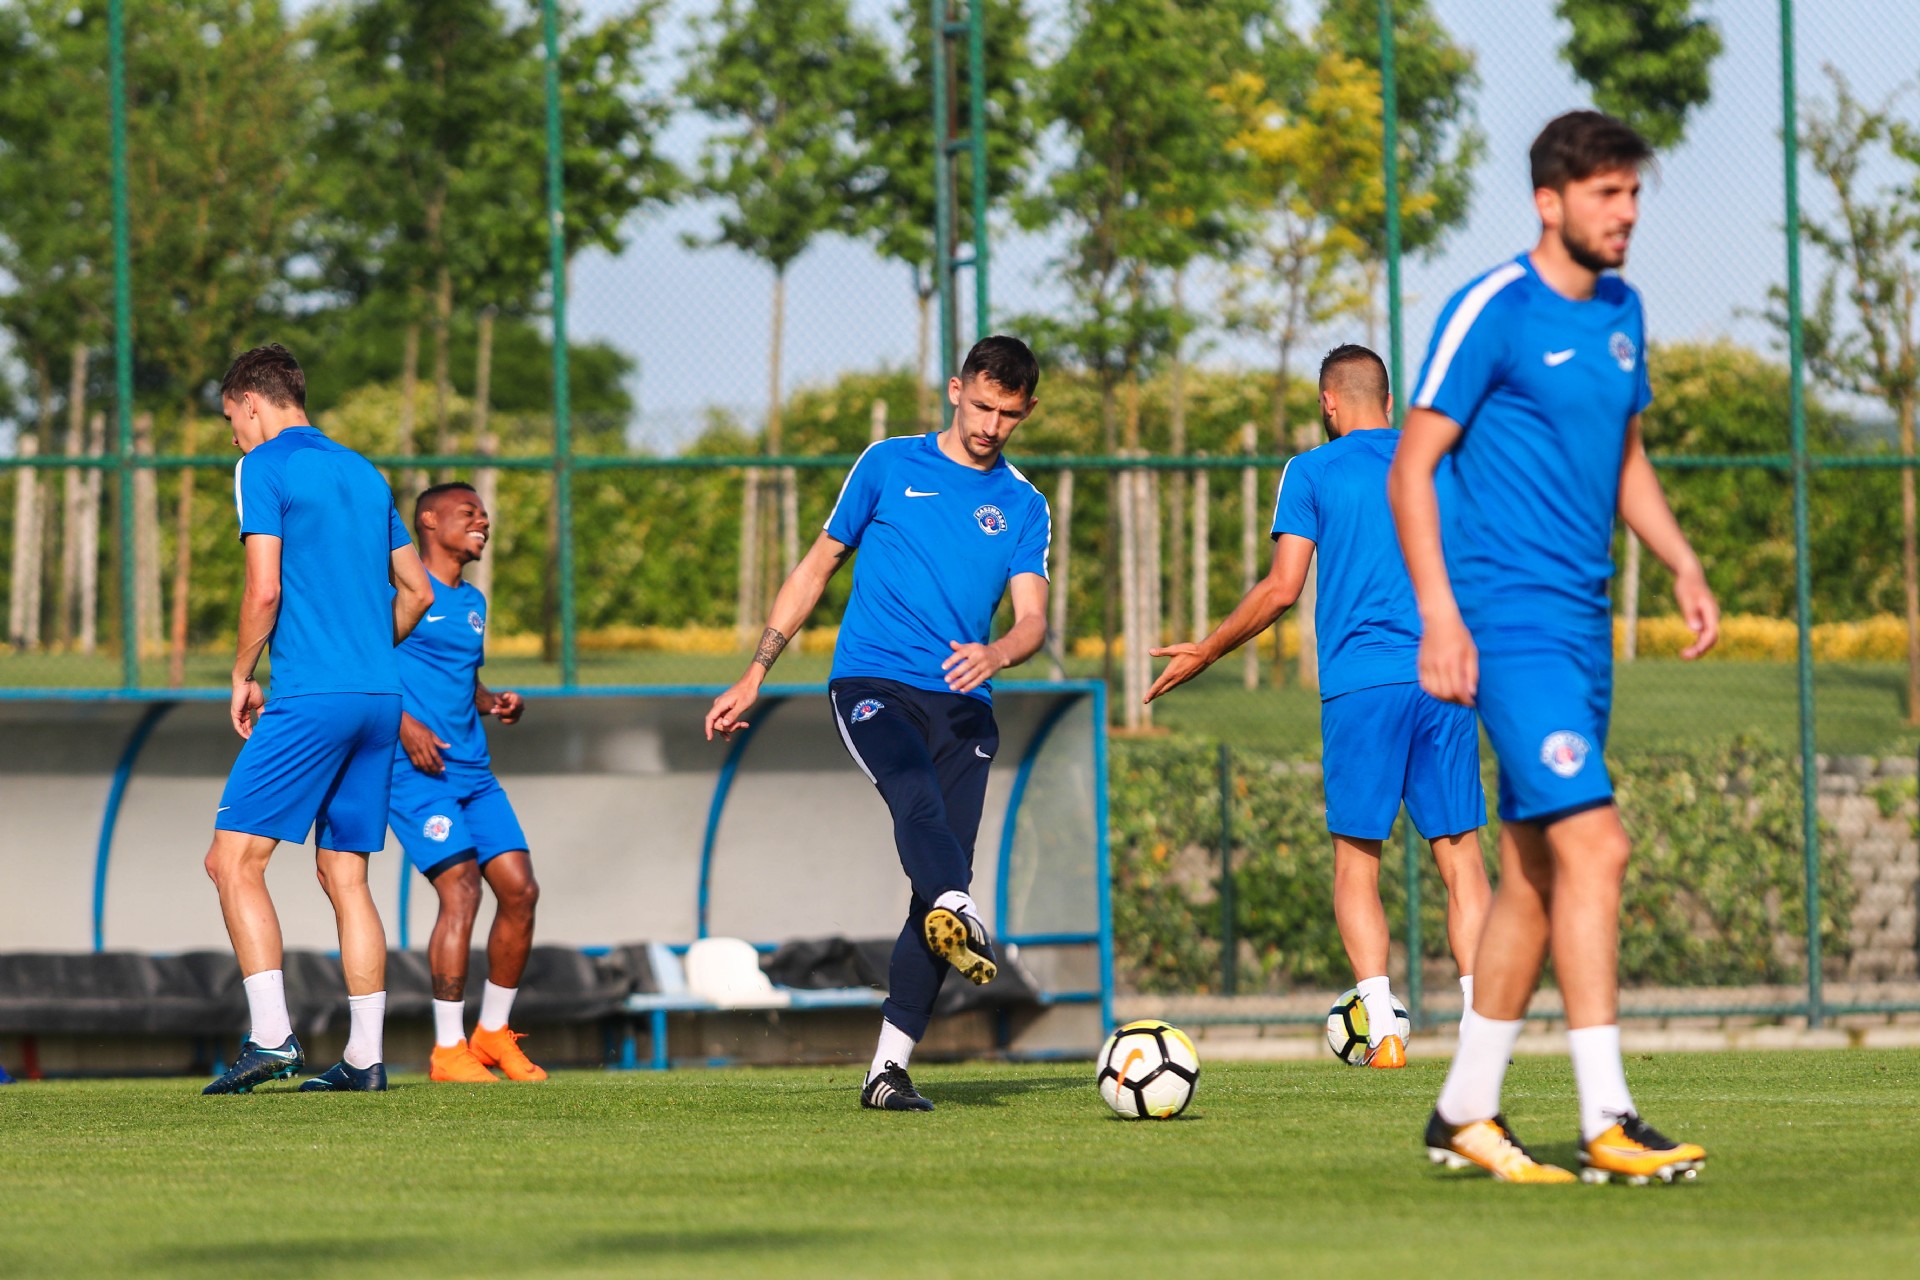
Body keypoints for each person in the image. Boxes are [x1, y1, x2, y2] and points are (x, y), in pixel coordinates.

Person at [1389, 110, 1718, 1184]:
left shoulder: (1624, 311)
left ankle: (1464, 1110)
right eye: (1607, 194)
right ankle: (1608, 1115)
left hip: (1584, 630)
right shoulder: (1493, 307)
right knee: (1599, 845)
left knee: (1535, 871)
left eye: (1634, 193)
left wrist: (1681, 561)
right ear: (1550, 201)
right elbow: (1412, 465)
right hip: (1508, 622)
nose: (1627, 214)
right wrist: (1441, 614)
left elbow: (1625, 457)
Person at [703, 335, 1051, 1112]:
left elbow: (1032, 619)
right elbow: (817, 565)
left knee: (934, 889)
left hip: (965, 702)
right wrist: (757, 671)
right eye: (982, 406)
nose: (991, 426)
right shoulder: (888, 464)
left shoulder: (1025, 505)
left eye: (1009, 414)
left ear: (1027, 411)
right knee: (913, 796)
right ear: (956, 390)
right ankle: (959, 906)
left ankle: (887, 1072)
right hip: (872, 681)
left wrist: (998, 653)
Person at [1145, 344, 1491, 1069]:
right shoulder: (1439, 460)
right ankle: (1480, 1031)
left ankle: (1383, 1028)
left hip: (1363, 686)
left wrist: (1206, 650)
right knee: (1462, 860)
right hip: (1444, 678)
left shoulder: (1311, 470)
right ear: (1389, 402)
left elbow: (1282, 589)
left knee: (1356, 864)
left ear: (1328, 404)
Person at [201, 343, 434, 1095]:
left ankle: (271, 1037)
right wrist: (365, 650)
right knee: (346, 874)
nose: (234, 435)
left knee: (231, 861)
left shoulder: (262, 467)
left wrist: (242, 674)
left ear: (252, 403)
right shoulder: (365, 472)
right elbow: (418, 591)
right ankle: (365, 1059)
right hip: (379, 697)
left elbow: (263, 590)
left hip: (310, 695)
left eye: (232, 420)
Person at [387, 482, 545, 1084]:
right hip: (416, 772)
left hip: (475, 773)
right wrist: (405, 725)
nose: (483, 521)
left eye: (484, 513)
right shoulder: (397, 591)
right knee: (461, 890)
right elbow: (363, 670)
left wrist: (493, 700)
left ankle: (492, 1034)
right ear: (429, 521)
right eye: (468, 512)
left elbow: (460, 681)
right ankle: (447, 1049)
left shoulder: (473, 600)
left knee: (520, 891)